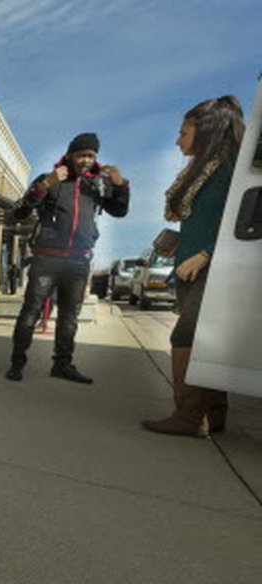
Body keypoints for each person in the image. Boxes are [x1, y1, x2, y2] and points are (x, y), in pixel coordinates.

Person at [142, 96, 244, 438]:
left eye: (183, 132)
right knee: (208, 343)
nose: (177, 140)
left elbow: (244, 220)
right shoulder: (204, 170)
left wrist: (206, 253)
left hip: (214, 271)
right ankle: (214, 416)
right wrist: (181, 245)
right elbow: (202, 220)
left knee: (186, 336)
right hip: (190, 270)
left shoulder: (231, 169)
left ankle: (188, 417)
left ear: (205, 132)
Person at [4, 133, 130, 384]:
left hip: (78, 261)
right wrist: (45, 185)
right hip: (47, 260)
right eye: (81, 154)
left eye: (90, 155)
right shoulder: (50, 179)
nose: (85, 160)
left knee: (69, 316)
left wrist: (121, 186)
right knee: (31, 312)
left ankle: (62, 365)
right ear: (71, 155)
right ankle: (17, 363)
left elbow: (119, 211)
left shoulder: (98, 185)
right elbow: (19, 211)